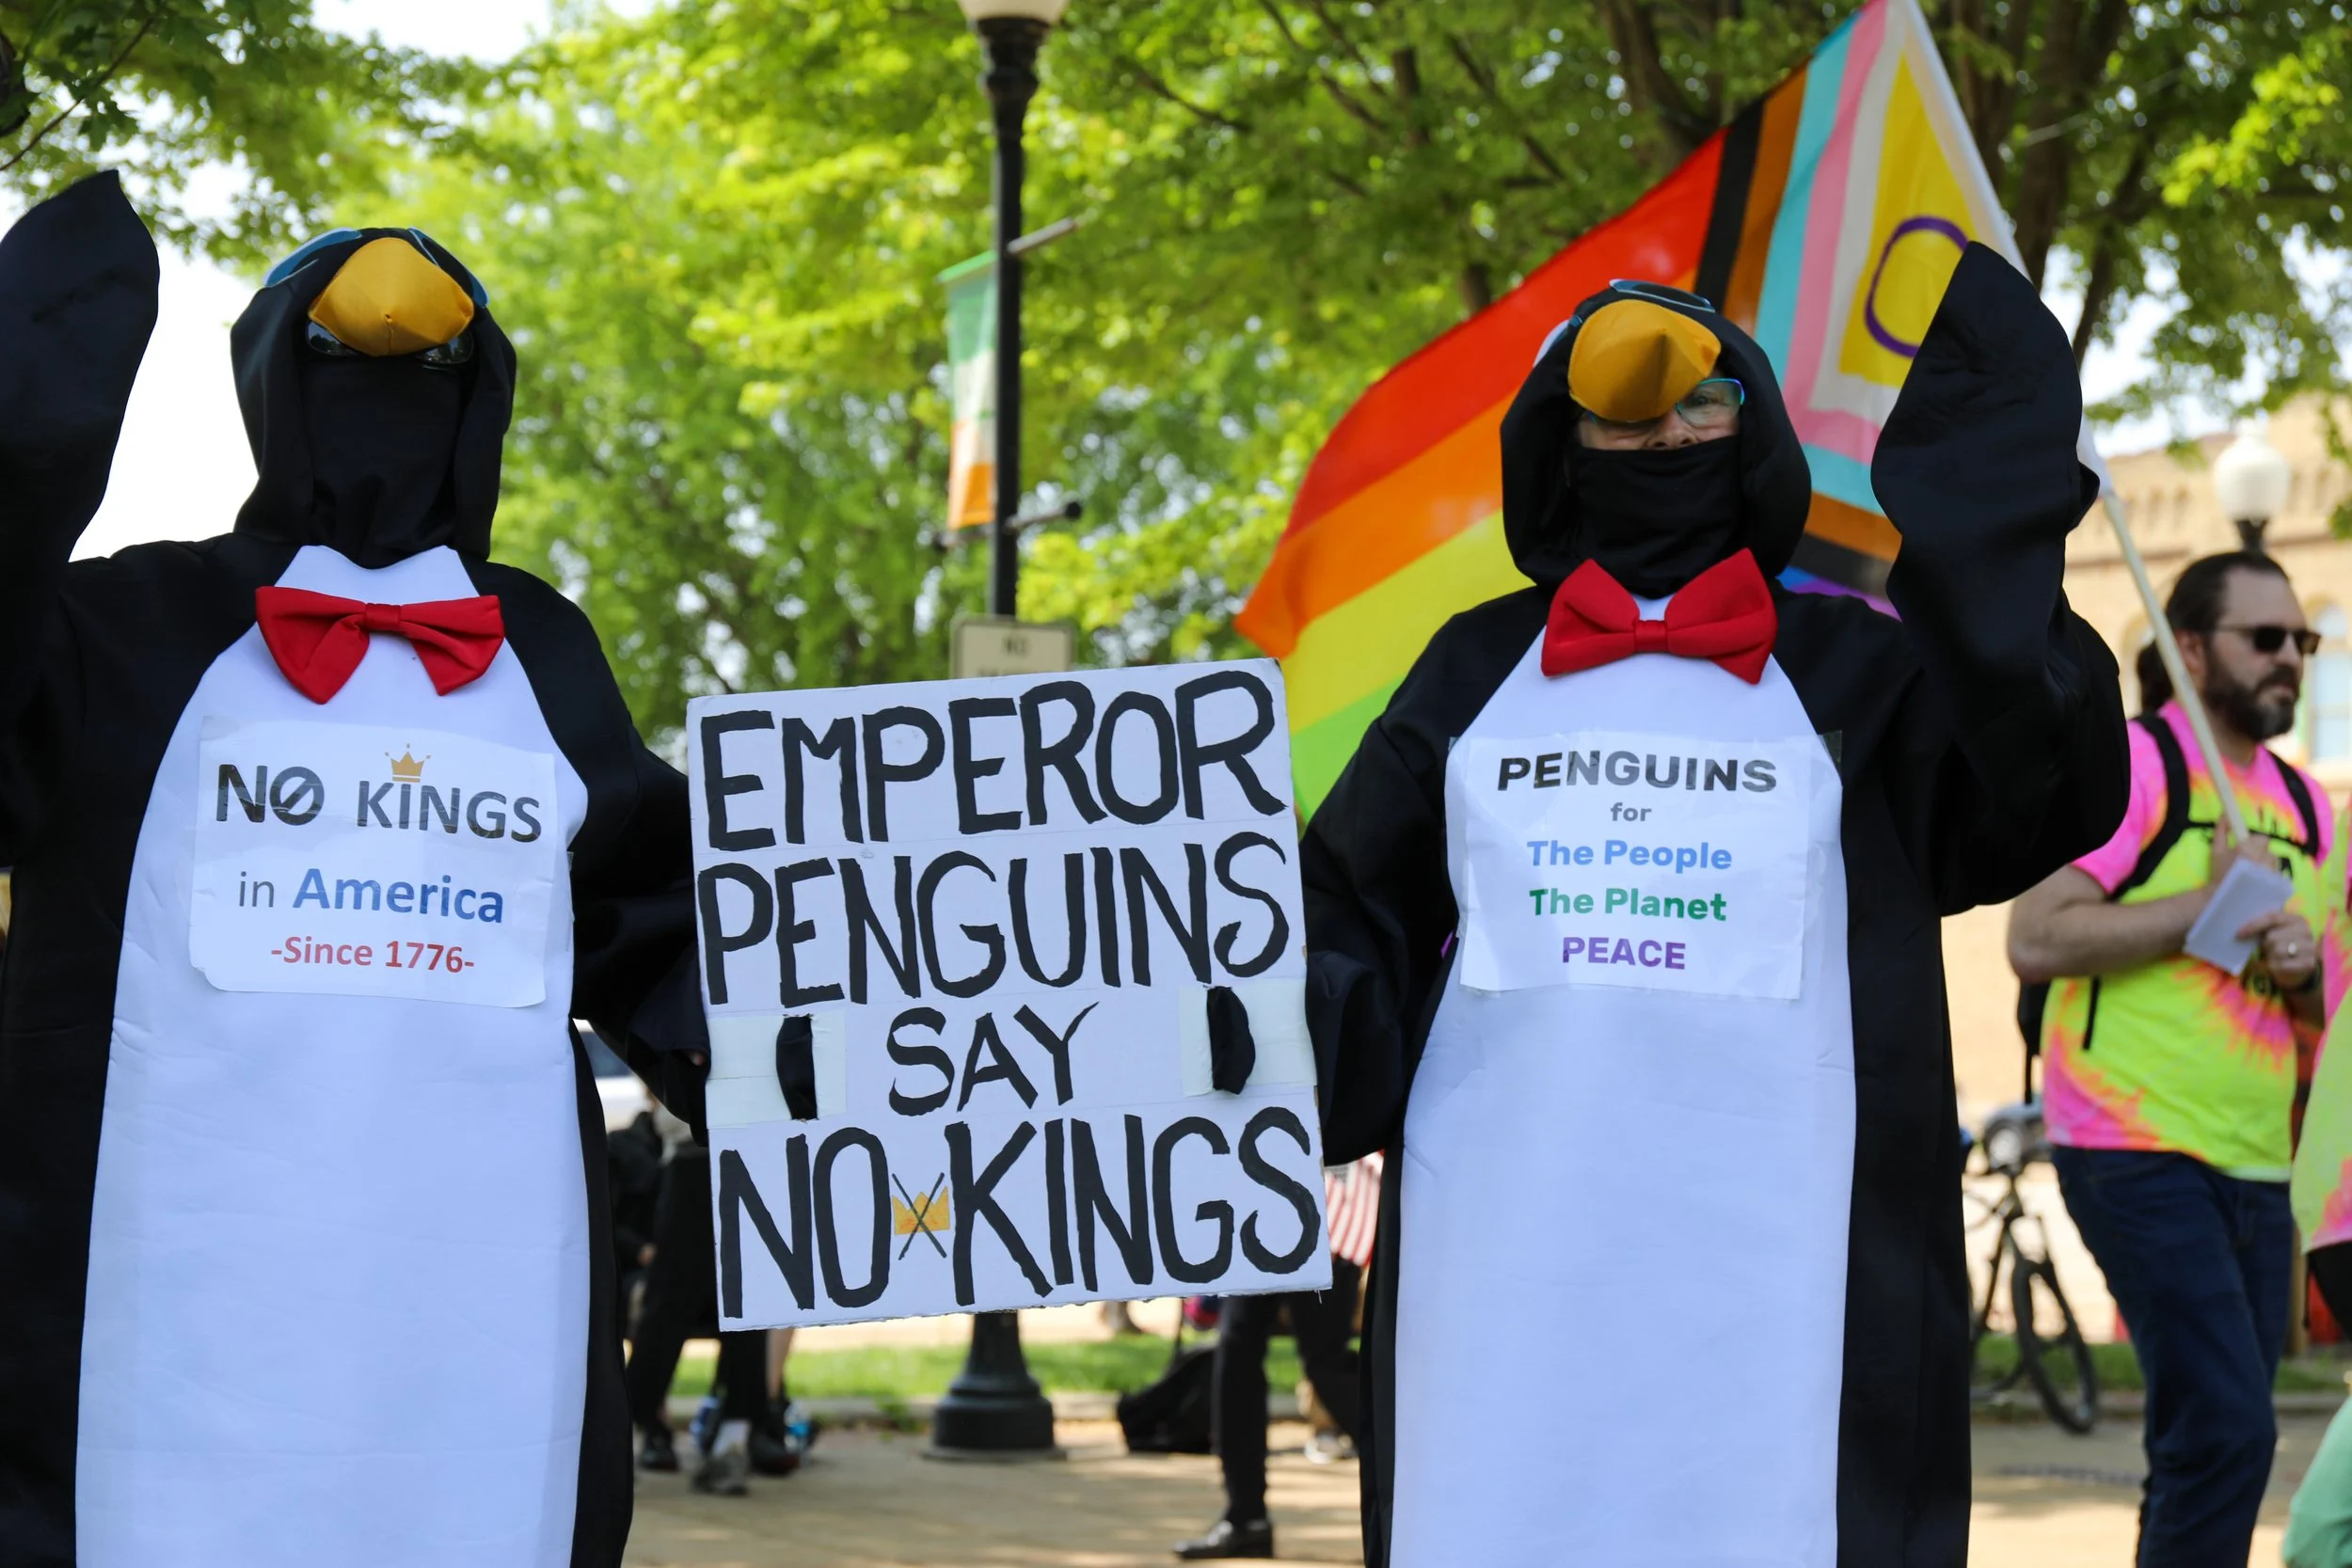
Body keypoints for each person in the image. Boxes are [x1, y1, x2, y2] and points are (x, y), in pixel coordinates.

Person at [1301, 246, 2128, 1566]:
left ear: (1756, 430)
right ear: (1565, 443)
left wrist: (1993, 523)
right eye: (1626, 414)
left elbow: (2035, 791)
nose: (1668, 434)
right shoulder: (1470, 668)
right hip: (1508, 1247)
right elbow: (1347, 902)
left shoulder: (1857, 667)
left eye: (1703, 403)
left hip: (1791, 1258)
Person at [0, 178, 707, 1566]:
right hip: (169, 1303)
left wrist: (820, 1056)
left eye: (431, 372)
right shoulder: (125, 626)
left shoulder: (544, 650)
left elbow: (660, 912)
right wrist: (26, 452)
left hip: (480, 1294)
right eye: (339, 361)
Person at [2010, 549, 2331, 1567]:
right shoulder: (2139, 765)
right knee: (2230, 1428)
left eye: (2302, 640)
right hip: (2130, 1143)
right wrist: (2205, 903)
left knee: (2201, 1438)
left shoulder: (2309, 807)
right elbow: (2036, 935)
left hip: (2257, 1159)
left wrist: (2301, 970)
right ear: (2190, 649)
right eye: (2264, 638)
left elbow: (2322, 1010)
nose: (2291, 659)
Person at [1173, 1155, 1381, 1560]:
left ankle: (1408, 1479)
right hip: (1256, 1204)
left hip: (1326, 1209)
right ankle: (1245, 1518)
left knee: (1326, 1365)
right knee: (1236, 1351)